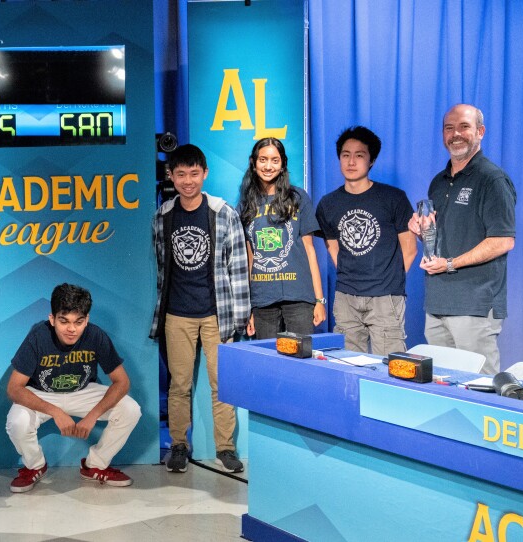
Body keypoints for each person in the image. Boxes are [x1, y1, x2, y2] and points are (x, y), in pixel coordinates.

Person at [150, 144, 249, 474]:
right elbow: (163, 267)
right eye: (181, 174)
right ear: (171, 177)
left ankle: (225, 447)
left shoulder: (224, 213)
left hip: (215, 314)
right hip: (176, 314)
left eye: (194, 174)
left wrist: (239, 315)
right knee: (179, 385)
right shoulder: (163, 215)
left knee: (222, 384)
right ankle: (179, 444)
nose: (188, 181)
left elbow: (237, 267)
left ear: (205, 174)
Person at [407, 104, 515, 374]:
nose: (456, 133)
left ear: (480, 131)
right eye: (449, 128)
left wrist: (451, 264)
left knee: (480, 388)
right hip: (437, 303)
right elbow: (442, 241)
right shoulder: (438, 182)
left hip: (475, 305)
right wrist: (421, 232)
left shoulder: (492, 179)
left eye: (464, 126)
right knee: (444, 387)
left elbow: (502, 241)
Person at [5, 283, 141, 493]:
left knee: (131, 410)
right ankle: (35, 466)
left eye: (78, 322)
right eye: (64, 321)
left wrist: (93, 415)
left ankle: (95, 465)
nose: (71, 329)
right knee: (17, 422)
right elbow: (14, 388)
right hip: (42, 393)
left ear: (86, 320)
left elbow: (122, 382)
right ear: (52, 319)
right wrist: (56, 412)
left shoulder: (95, 335)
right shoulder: (38, 336)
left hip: (83, 392)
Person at [315, 126, 416, 355]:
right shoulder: (328, 204)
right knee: (347, 364)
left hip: (385, 297)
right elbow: (333, 247)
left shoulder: (393, 198)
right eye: (345, 155)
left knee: (390, 366)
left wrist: (388, 282)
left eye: (359, 155)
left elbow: (409, 250)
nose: (351, 161)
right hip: (346, 297)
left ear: (371, 161)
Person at [237, 138, 326, 339]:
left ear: (283, 163)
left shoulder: (298, 198)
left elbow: (310, 251)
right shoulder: (245, 205)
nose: (268, 166)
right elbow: (250, 257)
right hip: (263, 299)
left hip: (299, 297)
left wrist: (319, 300)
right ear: (253, 162)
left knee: (301, 361)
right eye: (263, 160)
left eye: (275, 160)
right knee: (268, 363)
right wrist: (249, 306)